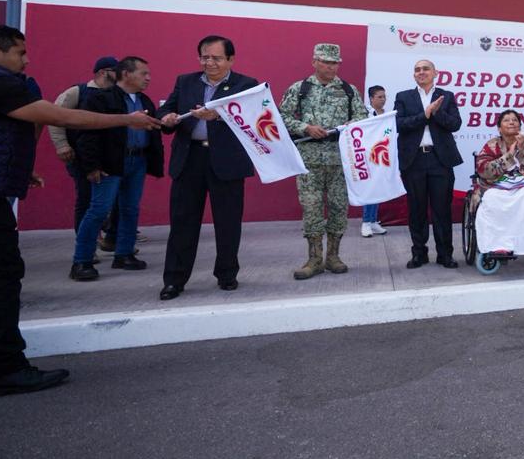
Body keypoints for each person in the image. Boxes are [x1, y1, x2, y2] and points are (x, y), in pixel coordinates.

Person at [0, 24, 161, 397]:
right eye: (20, 53)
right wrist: (127, 120)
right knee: (1, 276)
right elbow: (60, 117)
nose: (27, 60)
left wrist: (18, 166)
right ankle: (5, 368)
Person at [156, 35, 260, 300]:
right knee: (182, 222)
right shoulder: (186, 81)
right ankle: (174, 280)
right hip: (189, 159)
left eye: (216, 58)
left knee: (228, 222)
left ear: (230, 59)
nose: (210, 62)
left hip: (227, 162)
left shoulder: (246, 85)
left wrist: (220, 115)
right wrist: (166, 118)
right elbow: (167, 108)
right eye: (205, 57)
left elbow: (255, 121)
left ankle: (227, 274)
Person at [70, 56, 164, 280]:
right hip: (110, 163)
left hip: (137, 161)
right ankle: (81, 261)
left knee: (130, 209)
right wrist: (91, 165)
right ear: (126, 74)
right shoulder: (100, 99)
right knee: (98, 210)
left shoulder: (145, 101)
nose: (148, 78)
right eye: (144, 74)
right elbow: (86, 134)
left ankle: (124, 254)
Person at [280, 43, 368, 280]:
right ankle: (314, 259)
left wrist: (353, 124)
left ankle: (333, 256)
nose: (331, 67)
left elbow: (362, 116)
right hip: (309, 159)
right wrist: (305, 127)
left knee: (339, 208)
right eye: (326, 62)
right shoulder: (300, 89)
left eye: (335, 63)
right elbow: (282, 117)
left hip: (340, 160)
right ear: (315, 62)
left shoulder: (349, 90)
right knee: (312, 209)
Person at [395, 58, 463, 269]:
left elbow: (455, 124)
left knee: (442, 210)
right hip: (413, 160)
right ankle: (419, 254)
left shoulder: (447, 96)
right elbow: (399, 124)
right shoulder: (403, 97)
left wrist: (436, 112)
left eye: (425, 69)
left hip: (439, 160)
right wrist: (424, 115)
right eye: (417, 69)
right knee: (416, 209)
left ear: (435, 73)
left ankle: (445, 254)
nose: (421, 72)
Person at [48, 56, 119, 237]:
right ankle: (87, 243)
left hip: (110, 156)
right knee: (86, 199)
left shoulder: (117, 94)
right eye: (116, 70)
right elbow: (55, 117)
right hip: (82, 156)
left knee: (114, 199)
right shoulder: (77, 92)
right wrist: (62, 145)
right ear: (103, 72)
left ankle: (110, 237)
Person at [471, 109, 524, 258]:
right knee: (492, 198)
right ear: (499, 128)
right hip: (496, 184)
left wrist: (522, 151)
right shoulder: (491, 145)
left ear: (520, 126)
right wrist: (509, 156)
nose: (511, 122)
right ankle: (499, 245)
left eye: (515, 120)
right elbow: (484, 171)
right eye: (506, 120)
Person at [360, 85, 390, 237]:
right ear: (371, 98)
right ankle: (365, 222)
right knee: (369, 189)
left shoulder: (387, 115)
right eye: (379, 97)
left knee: (378, 189)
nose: (383, 100)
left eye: (384, 97)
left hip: (381, 157)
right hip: (367, 156)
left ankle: (373, 221)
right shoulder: (364, 114)